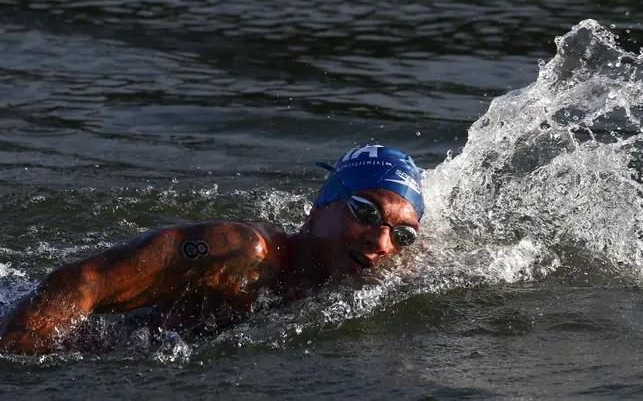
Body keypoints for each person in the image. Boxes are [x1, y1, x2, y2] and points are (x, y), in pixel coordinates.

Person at [0, 145, 424, 354]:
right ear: (321, 206)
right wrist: (17, 357)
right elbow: (84, 282)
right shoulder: (243, 252)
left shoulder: (380, 276)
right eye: (365, 213)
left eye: (401, 234)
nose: (381, 242)